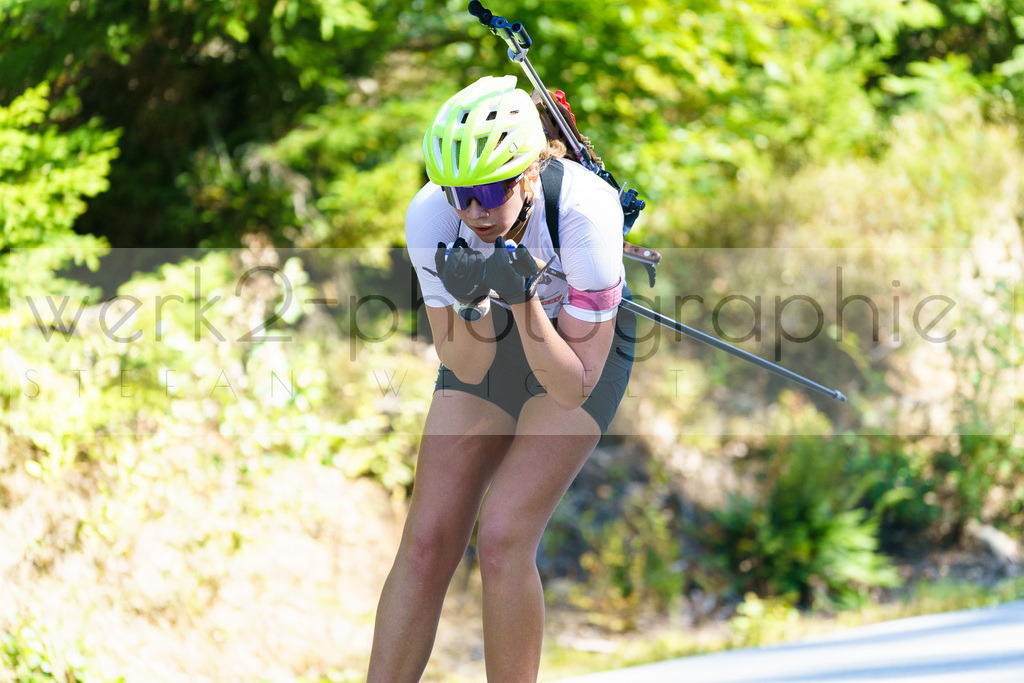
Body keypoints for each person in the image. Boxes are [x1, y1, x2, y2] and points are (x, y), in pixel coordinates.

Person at [367, 74, 636, 683]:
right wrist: (470, 304)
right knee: (430, 539)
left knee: (504, 534)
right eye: (458, 194)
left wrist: (521, 300)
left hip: (575, 350)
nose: (472, 212)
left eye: (488, 193)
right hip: (493, 337)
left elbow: (570, 387)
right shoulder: (432, 218)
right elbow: (469, 365)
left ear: (527, 175)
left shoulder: (585, 213)